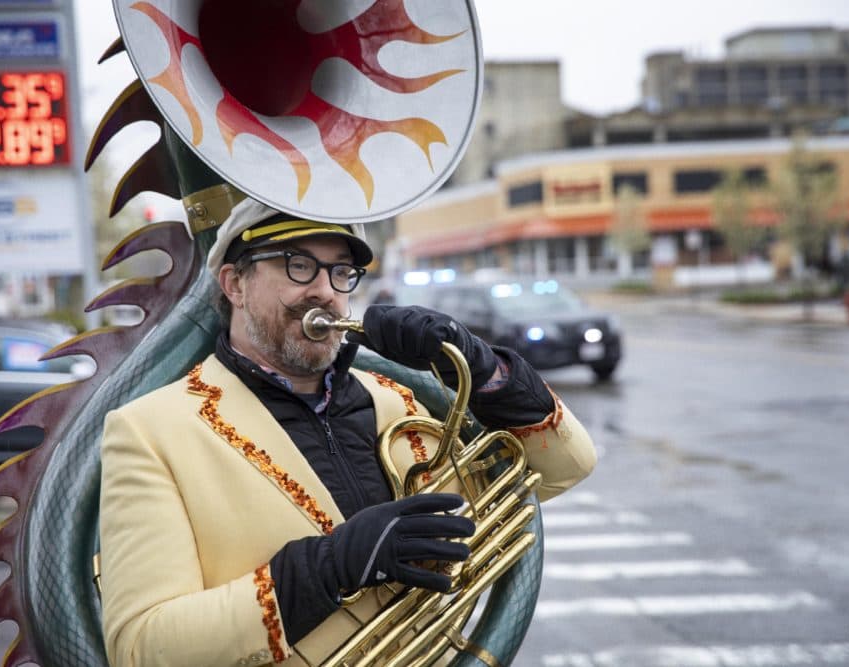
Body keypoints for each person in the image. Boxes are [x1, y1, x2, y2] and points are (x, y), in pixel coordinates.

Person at [98, 198, 598, 667]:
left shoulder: (399, 399)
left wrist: (483, 368)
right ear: (235, 284)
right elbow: (141, 645)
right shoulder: (150, 431)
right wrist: (331, 566)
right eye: (298, 265)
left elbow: (565, 468)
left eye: (341, 271)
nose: (325, 291)